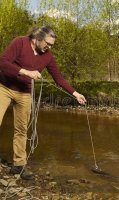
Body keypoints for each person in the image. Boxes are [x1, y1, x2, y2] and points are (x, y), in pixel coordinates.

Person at [0, 26, 86, 180]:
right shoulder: (20, 42)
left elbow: (58, 78)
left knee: (21, 129)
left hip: (25, 93)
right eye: (48, 43)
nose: (49, 47)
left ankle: (18, 165)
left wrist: (75, 93)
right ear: (38, 37)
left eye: (52, 45)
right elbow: (3, 62)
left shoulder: (48, 56)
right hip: (4, 87)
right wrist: (26, 72)